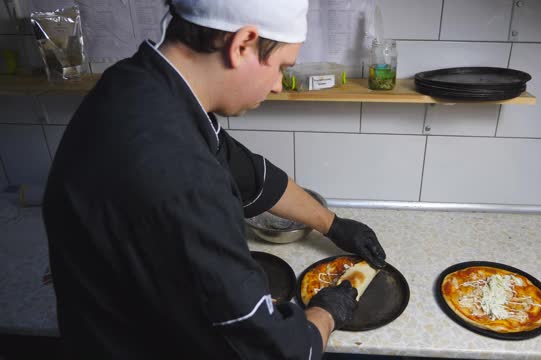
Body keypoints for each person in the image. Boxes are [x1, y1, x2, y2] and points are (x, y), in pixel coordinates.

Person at [42, 0, 387, 359]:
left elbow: (247, 173)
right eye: (282, 68)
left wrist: (331, 224)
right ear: (243, 44)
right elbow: (275, 351)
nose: (278, 87)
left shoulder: (141, 84)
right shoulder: (180, 175)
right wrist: (328, 311)